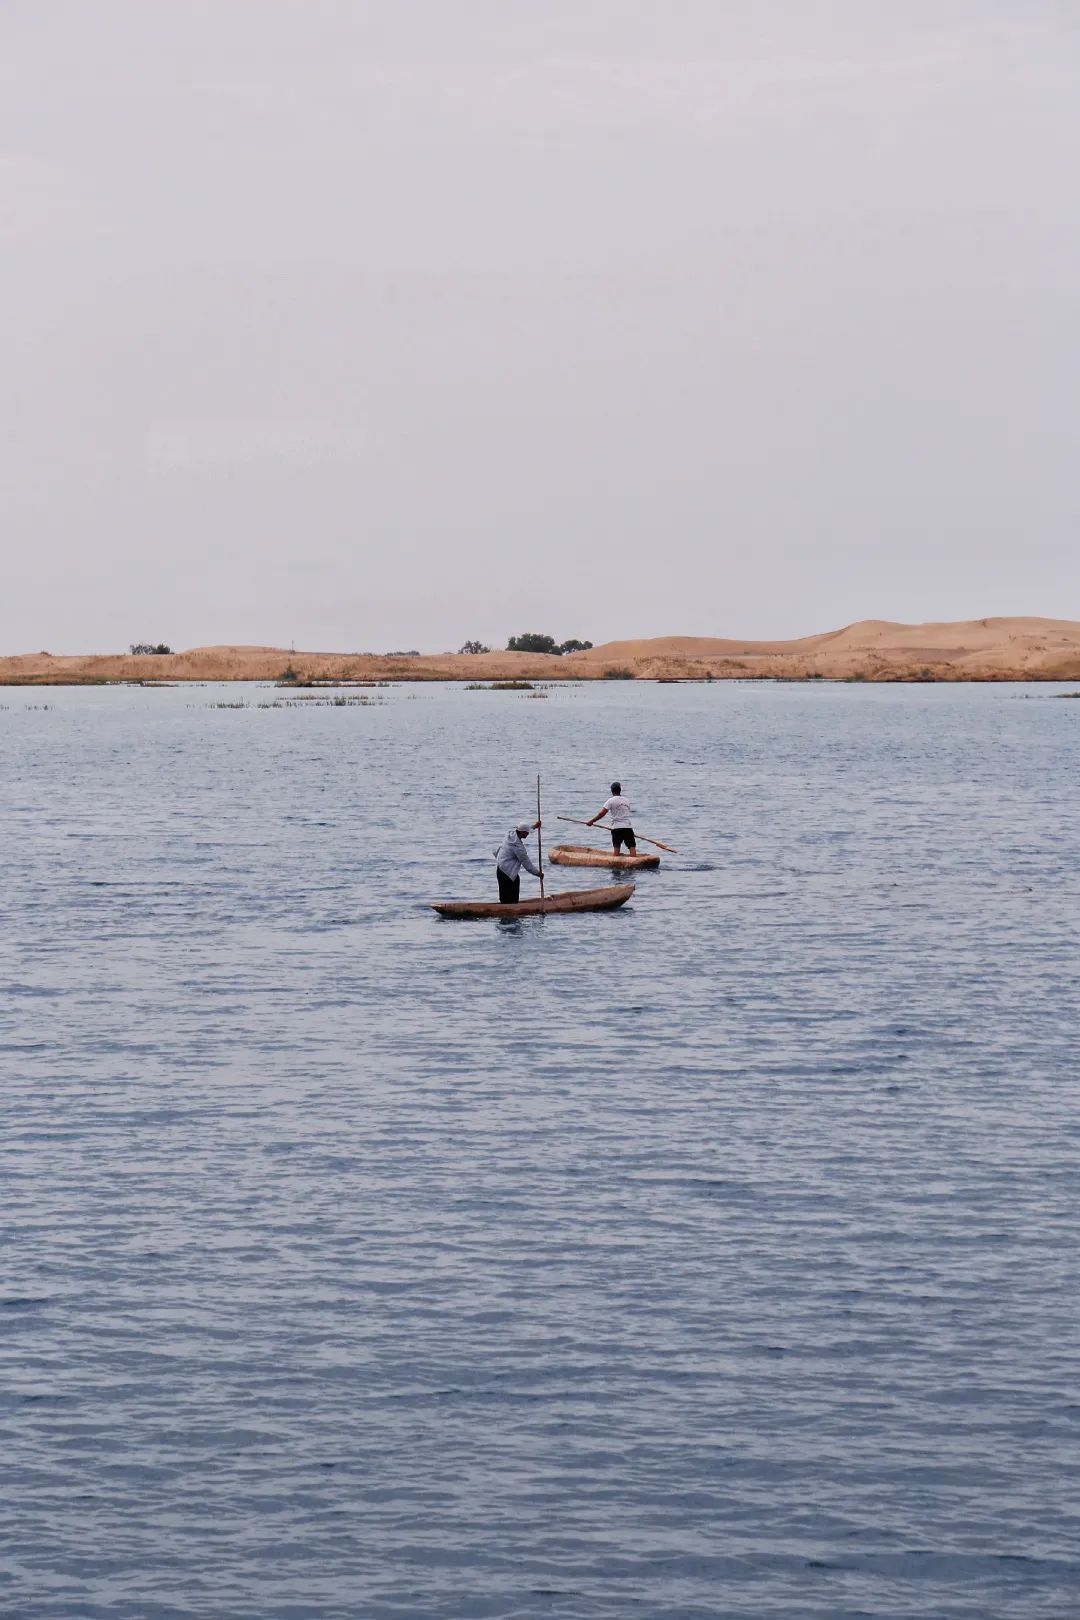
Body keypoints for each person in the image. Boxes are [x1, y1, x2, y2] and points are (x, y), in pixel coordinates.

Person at [494, 819, 543, 903]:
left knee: (514, 883)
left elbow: (524, 828)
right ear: (522, 833)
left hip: (500, 868)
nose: (528, 834)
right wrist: (538, 874)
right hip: (506, 873)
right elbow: (527, 865)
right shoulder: (518, 848)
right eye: (527, 833)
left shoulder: (510, 835)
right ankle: (509, 909)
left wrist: (534, 826)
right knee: (508, 899)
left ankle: (509, 907)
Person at [586, 781, 636, 852]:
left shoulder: (610, 801)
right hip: (627, 827)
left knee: (616, 847)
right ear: (620, 790)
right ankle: (633, 859)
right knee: (632, 846)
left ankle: (615, 861)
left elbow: (602, 813)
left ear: (612, 791)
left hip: (616, 828)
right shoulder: (627, 800)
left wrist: (592, 821)